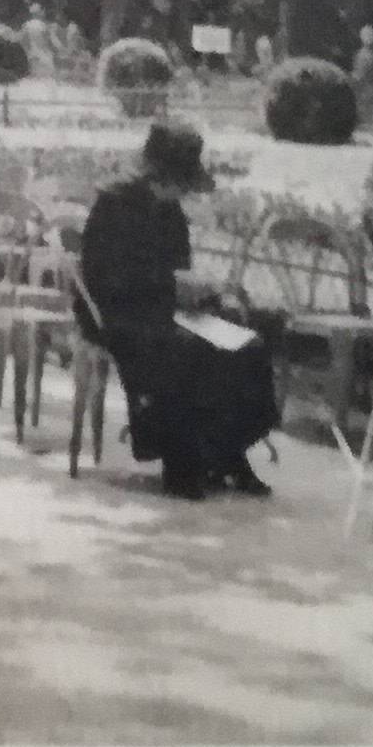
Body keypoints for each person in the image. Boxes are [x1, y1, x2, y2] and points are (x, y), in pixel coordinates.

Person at [76, 120, 278, 500]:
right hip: (116, 311)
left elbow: (178, 266)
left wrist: (199, 292)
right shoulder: (114, 204)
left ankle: (228, 450)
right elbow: (105, 277)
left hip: (163, 305)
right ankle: (181, 460)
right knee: (183, 350)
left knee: (246, 346)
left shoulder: (170, 212)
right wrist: (168, 285)